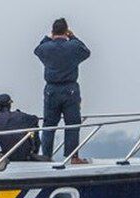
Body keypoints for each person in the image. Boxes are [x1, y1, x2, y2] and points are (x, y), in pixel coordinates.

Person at [34, 18, 91, 164]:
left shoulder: (46, 48)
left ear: (53, 31)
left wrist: (48, 37)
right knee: (72, 123)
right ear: (66, 31)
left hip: (51, 90)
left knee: (49, 125)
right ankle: (73, 157)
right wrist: (73, 36)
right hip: (70, 89)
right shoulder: (73, 46)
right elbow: (86, 52)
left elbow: (37, 50)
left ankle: (46, 156)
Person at [0, 94, 43, 161]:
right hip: (25, 156)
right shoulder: (21, 116)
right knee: (33, 129)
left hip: (7, 155)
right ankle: (34, 152)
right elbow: (35, 119)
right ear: (10, 105)